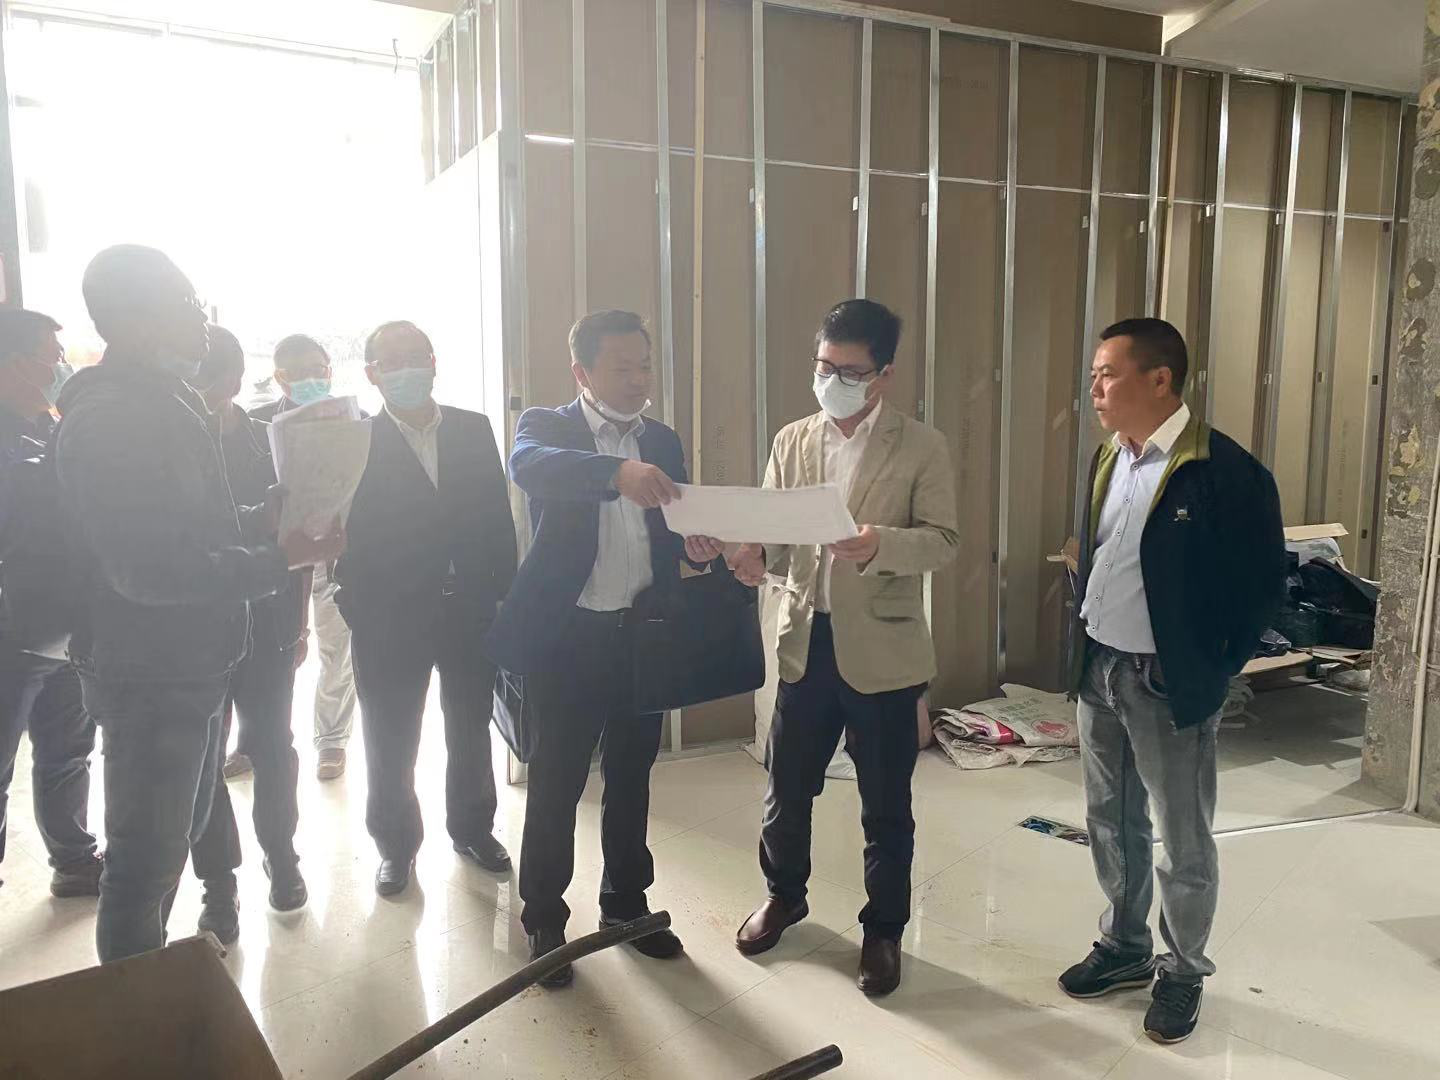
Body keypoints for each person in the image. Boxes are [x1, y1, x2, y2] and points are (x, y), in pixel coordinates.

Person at [54, 245, 344, 962]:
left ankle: (148, 994)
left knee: (170, 844)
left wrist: (258, 518)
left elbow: (191, 528)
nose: (203, 322)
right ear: (138, 320)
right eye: (187, 306)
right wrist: (277, 560)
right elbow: (146, 568)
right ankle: (136, 1015)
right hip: (150, 675)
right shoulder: (112, 418)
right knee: (144, 868)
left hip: (194, 665)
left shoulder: (165, 402)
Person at [721, 299, 958, 997]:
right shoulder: (794, 440)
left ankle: (883, 929)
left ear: (884, 375)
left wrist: (881, 544)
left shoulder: (922, 446)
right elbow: (773, 527)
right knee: (787, 786)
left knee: (885, 804)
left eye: (850, 372)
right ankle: (783, 896)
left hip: (883, 653)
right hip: (805, 642)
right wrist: (753, 554)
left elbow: (944, 542)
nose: (833, 381)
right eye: (824, 366)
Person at [1058, 318, 1284, 1044]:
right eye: (1094, 375)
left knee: (1181, 836)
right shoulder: (1109, 457)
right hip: (1101, 666)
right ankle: (1124, 945)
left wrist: (1210, 665)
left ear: (1160, 379)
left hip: (1164, 681)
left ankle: (1183, 970)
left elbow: (1261, 587)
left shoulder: (1225, 471)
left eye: (1108, 374)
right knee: (1109, 818)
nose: (1095, 388)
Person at [486, 309, 691, 988]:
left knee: (633, 778)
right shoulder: (547, 428)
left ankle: (625, 904)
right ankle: (544, 916)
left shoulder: (663, 439)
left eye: (644, 365)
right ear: (582, 372)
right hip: (569, 638)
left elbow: (673, 525)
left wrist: (698, 544)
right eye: (621, 367)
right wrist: (616, 473)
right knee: (557, 782)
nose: (637, 379)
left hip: (642, 635)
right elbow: (530, 467)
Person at [334, 320, 517, 898]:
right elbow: (338, 530)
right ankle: (396, 845)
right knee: (390, 736)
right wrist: (356, 605)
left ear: (434, 362)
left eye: (416, 356)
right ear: (372, 374)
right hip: (389, 618)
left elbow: (497, 516)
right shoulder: (354, 441)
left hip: (468, 610)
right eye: (392, 361)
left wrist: (503, 595)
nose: (407, 369)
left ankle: (473, 829)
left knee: (470, 726)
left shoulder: (472, 428)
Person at [187, 325, 311, 943]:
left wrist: (300, 620)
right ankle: (218, 884)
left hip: (268, 623)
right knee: (205, 762)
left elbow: (301, 536)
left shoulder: (271, 441)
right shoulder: (168, 443)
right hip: (196, 629)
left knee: (273, 748)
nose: (196, 397)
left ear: (235, 381)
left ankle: (281, 856)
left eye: (206, 384)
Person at [0, 308, 102, 897]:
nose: (59, 367)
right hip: (10, 629)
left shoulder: (52, 427)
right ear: (16, 364)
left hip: (65, 625)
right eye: (52, 356)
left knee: (68, 750)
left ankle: (74, 859)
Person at [249, 333, 357, 782]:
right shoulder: (257, 426)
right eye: (299, 373)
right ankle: (259, 740)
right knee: (276, 651)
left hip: (336, 554)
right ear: (280, 378)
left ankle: (331, 740)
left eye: (319, 370)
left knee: (336, 649)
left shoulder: (352, 420)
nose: (312, 379)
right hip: (281, 557)